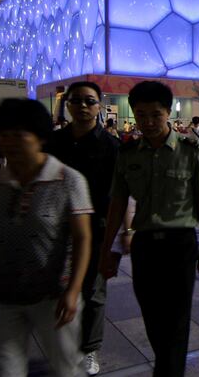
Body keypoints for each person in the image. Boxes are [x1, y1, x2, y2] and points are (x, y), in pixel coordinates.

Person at [99, 81, 199, 377]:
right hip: (145, 246)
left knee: (177, 319)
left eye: (155, 114)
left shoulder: (190, 150)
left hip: (180, 245)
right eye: (140, 115)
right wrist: (107, 249)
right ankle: (168, 365)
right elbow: (117, 203)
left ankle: (167, 372)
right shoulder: (128, 154)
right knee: (152, 317)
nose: (148, 122)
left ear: (168, 113)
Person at [0, 98, 93, 377]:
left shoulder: (68, 180)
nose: (10, 143)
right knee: (5, 369)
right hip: (4, 295)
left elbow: (82, 239)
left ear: (40, 137)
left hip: (54, 296)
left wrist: (73, 291)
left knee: (67, 367)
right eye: (3, 135)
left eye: (19, 135)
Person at [45, 81, 120, 376]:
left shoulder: (111, 145)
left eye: (90, 101)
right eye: (76, 101)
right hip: (57, 229)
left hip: (97, 229)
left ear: (99, 106)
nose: (83, 107)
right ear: (68, 105)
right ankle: (63, 344)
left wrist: (121, 234)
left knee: (94, 291)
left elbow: (118, 194)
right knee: (56, 288)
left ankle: (90, 349)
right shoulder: (54, 143)